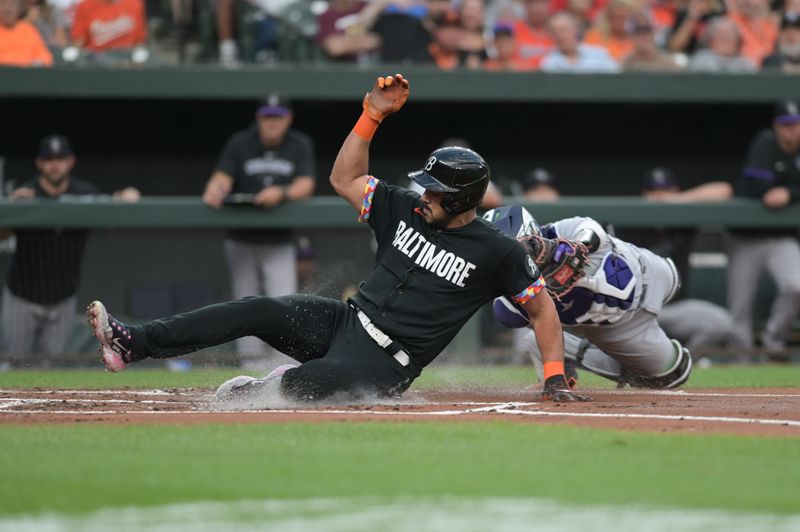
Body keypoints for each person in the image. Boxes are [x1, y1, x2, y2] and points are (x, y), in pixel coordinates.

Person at [87, 74, 587, 404]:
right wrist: (371, 116)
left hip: (386, 362)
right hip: (345, 321)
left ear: (462, 198)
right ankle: (135, 342)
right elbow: (345, 180)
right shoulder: (407, 208)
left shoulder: (496, 250)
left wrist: (552, 376)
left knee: (295, 390)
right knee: (256, 309)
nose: (424, 194)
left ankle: (258, 391)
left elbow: (541, 308)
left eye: (435, 189)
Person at [488, 205, 693, 389]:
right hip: (617, 328)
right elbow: (508, 311)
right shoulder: (511, 299)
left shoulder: (562, 230)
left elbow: (593, 232)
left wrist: (575, 249)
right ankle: (571, 353)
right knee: (671, 374)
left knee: (673, 278)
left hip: (648, 273)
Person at [0, 135, 139, 363]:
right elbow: (2, 234)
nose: (55, 164)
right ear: (39, 162)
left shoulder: (84, 193)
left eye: (60, 158)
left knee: (51, 368)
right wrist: (14, 212)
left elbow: (113, 222)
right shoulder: (27, 192)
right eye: (49, 158)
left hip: (62, 298)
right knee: (11, 362)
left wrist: (123, 198)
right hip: (22, 297)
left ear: (70, 161)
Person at [202, 94, 316, 363]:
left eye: (277, 117)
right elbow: (221, 178)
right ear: (259, 118)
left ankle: (285, 367)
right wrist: (215, 189)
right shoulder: (242, 142)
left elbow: (306, 185)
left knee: (286, 305)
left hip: (280, 239)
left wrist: (282, 192)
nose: (272, 123)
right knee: (245, 304)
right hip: (242, 237)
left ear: (288, 118)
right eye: (267, 117)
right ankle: (250, 368)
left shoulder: (299, 144)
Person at [726, 101, 800, 360]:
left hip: (781, 237)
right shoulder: (765, 141)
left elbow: (779, 194)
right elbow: (761, 190)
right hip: (746, 238)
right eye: (786, 125)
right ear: (776, 126)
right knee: (740, 308)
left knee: (796, 285)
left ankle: (773, 344)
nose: (792, 130)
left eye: (796, 124)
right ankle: (741, 360)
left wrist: (790, 192)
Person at [540, 12, 619, 72]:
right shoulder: (549, 63)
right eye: (555, 32)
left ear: (575, 30)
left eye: (564, 30)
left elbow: (615, 79)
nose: (561, 36)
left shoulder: (599, 55)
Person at [70, 0, 147, 54]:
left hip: (126, 60)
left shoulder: (134, 5)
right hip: (96, 62)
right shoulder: (85, 7)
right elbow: (78, 43)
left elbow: (139, 42)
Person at [687, 16, 757, 72]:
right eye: (721, 34)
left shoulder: (746, 65)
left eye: (730, 34)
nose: (726, 37)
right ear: (711, 39)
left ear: (738, 40)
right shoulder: (701, 60)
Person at [0, 0, 52, 67]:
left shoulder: (29, 29)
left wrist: (36, 64)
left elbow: (46, 57)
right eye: (3, 4)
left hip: (28, 75)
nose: (8, 9)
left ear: (18, 8)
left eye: (11, 5)